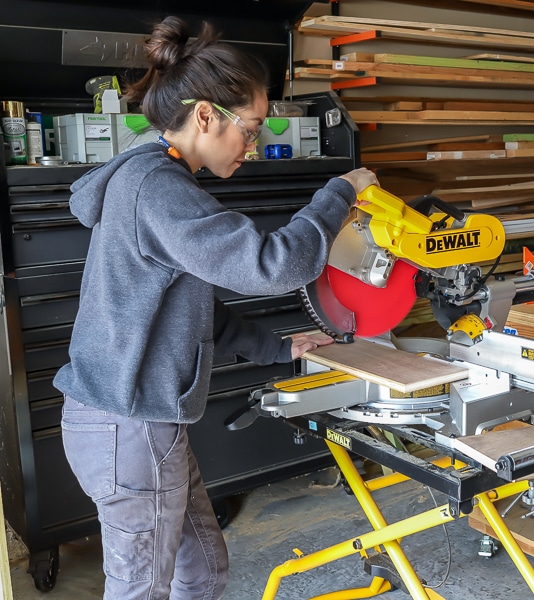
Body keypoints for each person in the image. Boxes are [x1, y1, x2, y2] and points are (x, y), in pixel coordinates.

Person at [52, 15, 378, 600]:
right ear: (206, 115)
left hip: (142, 422)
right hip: (128, 426)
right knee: (141, 590)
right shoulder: (158, 189)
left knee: (202, 567)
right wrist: (340, 193)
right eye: (250, 128)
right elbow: (274, 264)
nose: (252, 146)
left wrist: (281, 347)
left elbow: (192, 309)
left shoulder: (158, 182)